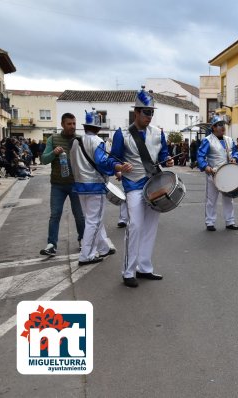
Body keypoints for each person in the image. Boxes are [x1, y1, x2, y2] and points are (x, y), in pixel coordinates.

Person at [109, 87, 174, 288]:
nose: (149, 116)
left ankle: (144, 267)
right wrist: (119, 167)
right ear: (136, 112)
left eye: (152, 112)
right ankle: (128, 271)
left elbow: (162, 154)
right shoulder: (122, 134)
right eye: (146, 112)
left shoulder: (158, 133)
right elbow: (113, 158)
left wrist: (167, 160)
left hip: (154, 184)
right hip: (134, 185)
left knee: (151, 228)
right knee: (135, 226)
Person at [70, 109, 128, 265]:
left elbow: (72, 163)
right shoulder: (97, 141)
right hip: (95, 185)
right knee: (93, 221)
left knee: (93, 219)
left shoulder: (76, 141)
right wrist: (115, 169)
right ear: (98, 127)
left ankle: (103, 247)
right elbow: (102, 163)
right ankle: (87, 255)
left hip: (80, 185)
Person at [39, 113, 85, 256]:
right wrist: (54, 152)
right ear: (62, 124)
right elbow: (44, 160)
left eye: (74, 123)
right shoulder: (53, 139)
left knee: (79, 215)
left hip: (75, 184)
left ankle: (83, 240)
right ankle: (51, 244)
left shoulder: (79, 139)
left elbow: (87, 161)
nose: (72, 126)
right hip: (57, 185)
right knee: (55, 215)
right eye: (69, 124)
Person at [197, 114, 238, 232]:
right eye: (220, 125)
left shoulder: (229, 140)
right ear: (214, 127)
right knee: (211, 199)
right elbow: (200, 157)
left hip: (227, 174)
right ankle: (210, 222)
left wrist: (235, 158)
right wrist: (206, 167)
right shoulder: (207, 140)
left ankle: (230, 221)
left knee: (228, 199)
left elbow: (235, 152)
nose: (222, 127)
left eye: (223, 124)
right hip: (213, 174)